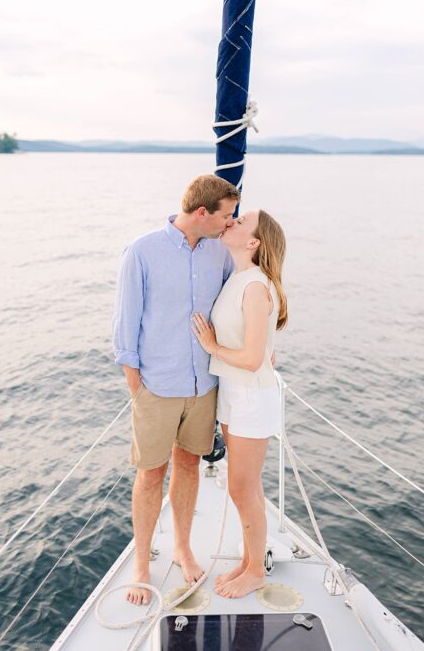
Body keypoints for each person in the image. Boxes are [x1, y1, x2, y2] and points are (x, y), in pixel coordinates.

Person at [112, 174, 239, 605]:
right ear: (202, 213)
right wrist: (136, 384)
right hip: (157, 385)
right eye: (226, 215)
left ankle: (183, 546)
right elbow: (125, 323)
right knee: (150, 474)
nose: (230, 223)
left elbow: (232, 306)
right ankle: (142, 564)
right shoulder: (142, 251)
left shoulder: (219, 253)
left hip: (204, 384)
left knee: (187, 466)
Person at [191, 208, 288, 598]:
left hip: (250, 395)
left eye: (241, 221)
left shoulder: (253, 287)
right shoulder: (241, 278)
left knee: (242, 488)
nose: (231, 222)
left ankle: (256, 573)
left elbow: (253, 359)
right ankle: (249, 561)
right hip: (235, 392)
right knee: (244, 486)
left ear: (254, 243)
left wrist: (212, 346)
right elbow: (265, 350)